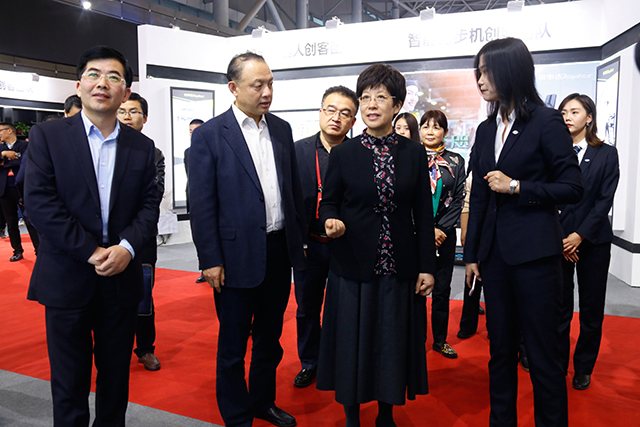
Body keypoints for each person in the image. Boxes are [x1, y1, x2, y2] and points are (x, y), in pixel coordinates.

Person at [25, 46, 160, 426]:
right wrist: (91, 251)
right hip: (67, 275)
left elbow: (149, 205)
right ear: (79, 84)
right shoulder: (48, 136)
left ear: (125, 91)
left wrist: (126, 248)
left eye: (114, 77)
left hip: (120, 277)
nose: (103, 83)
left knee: (115, 379)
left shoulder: (142, 146)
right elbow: (39, 203)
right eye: (94, 75)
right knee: (69, 381)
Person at [463, 38, 583, 427]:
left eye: (486, 71)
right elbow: (479, 196)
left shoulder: (545, 121)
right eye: (478, 72)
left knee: (542, 354)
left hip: (535, 258)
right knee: (499, 351)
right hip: (494, 258)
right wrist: (473, 254)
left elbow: (572, 187)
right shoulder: (485, 130)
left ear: (511, 70)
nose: (480, 80)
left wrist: (517, 186)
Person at [189, 52, 306, 427]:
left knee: (269, 339)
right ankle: (237, 414)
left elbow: (291, 191)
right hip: (234, 256)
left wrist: (299, 242)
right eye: (258, 85)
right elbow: (201, 204)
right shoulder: (209, 135)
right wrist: (210, 259)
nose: (267, 92)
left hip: (278, 251)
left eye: (270, 83)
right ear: (233, 87)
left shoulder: (282, 129)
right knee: (233, 343)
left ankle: (262, 402)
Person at [317, 64, 436, 427]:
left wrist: (427, 267)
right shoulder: (344, 153)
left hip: (398, 266)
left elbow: (423, 215)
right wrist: (330, 221)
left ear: (397, 105)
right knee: (352, 345)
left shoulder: (414, 153)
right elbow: (329, 203)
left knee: (391, 344)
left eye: (380, 97)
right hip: (353, 265)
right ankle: (352, 416)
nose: (371, 104)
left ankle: (386, 415)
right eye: (365, 97)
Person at [292, 85, 358, 388]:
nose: (336, 118)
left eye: (345, 113)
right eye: (330, 110)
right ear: (320, 112)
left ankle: (341, 362)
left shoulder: (359, 154)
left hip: (346, 246)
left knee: (345, 309)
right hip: (309, 245)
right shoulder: (298, 151)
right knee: (307, 308)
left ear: (353, 121)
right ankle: (310, 362)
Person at [557, 93, 619, 390]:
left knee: (591, 308)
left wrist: (579, 236)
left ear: (589, 117)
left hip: (592, 241)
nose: (567, 117)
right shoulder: (553, 152)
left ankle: (583, 366)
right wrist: (562, 238)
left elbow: (604, 200)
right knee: (558, 307)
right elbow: (547, 196)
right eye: (563, 112)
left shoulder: (606, 153)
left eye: (574, 111)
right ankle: (557, 361)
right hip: (558, 242)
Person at [117, 92, 165, 372]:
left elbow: (153, 197)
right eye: (122, 111)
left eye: (134, 111)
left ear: (144, 118)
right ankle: (115, 348)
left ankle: (145, 348)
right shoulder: (102, 148)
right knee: (109, 295)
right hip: (107, 238)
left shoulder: (153, 153)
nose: (127, 116)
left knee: (143, 293)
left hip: (142, 235)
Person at [419, 110, 466, 359]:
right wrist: (426, 230)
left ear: (445, 132)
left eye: (436, 127)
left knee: (442, 289)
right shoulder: (411, 157)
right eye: (425, 126)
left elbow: (459, 198)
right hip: (417, 235)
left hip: (444, 236)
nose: (430, 131)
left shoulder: (456, 161)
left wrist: (440, 229)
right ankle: (415, 340)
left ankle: (439, 340)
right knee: (414, 290)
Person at [0, 122, 39, 261]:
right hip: (4, 190)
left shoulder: (24, 146)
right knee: (11, 223)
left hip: (22, 189)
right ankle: (17, 250)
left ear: (9, 131)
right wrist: (4, 154)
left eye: (1, 131)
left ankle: (38, 250)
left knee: (30, 221)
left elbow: (25, 163)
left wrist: (4, 162)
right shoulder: (1, 148)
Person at [184, 118, 206, 284]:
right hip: (193, 200)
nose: (193, 134)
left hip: (209, 202)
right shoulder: (188, 152)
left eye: (196, 130)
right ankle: (204, 268)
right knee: (198, 236)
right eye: (191, 131)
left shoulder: (212, 149)